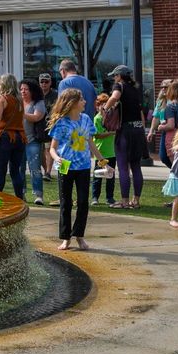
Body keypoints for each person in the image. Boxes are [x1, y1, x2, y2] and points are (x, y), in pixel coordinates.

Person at [47, 88, 110, 251]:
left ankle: (79, 236)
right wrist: (56, 158)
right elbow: (52, 148)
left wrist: (103, 162)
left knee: (83, 202)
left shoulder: (86, 119)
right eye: (81, 99)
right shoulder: (61, 122)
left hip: (83, 167)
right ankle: (66, 238)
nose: (85, 102)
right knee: (65, 203)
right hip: (65, 167)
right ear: (73, 103)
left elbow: (91, 144)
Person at [102, 64, 147, 209]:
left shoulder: (119, 86)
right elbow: (140, 113)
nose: (114, 79)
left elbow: (114, 97)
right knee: (136, 166)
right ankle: (137, 200)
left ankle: (125, 201)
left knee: (122, 166)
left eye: (115, 76)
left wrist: (105, 108)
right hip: (138, 129)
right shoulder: (135, 89)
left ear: (120, 76)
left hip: (125, 130)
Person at [0, 74, 27, 200]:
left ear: (3, 84)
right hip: (20, 137)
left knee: (0, 171)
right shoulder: (20, 100)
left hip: (5, 136)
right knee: (15, 171)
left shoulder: (2, 98)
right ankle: (20, 198)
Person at [19, 79, 47, 206]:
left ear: (32, 90)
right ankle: (21, 193)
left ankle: (38, 194)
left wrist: (21, 114)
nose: (23, 91)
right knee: (19, 168)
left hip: (33, 140)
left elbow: (37, 117)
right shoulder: (18, 102)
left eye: (26, 89)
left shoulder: (38, 102)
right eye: (21, 89)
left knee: (35, 168)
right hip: (19, 140)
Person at [154, 80, 178, 170]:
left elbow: (171, 125)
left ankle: (177, 177)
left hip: (174, 138)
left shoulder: (170, 107)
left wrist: (160, 127)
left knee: (175, 165)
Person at [91, 94, 118, 206]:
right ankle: (95, 197)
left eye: (106, 104)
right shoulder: (97, 118)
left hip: (112, 151)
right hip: (100, 151)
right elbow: (97, 135)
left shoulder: (113, 118)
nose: (103, 107)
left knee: (110, 175)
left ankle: (109, 198)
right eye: (101, 104)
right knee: (98, 175)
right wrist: (112, 132)